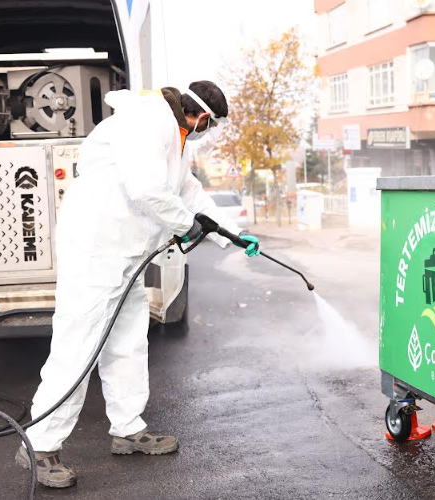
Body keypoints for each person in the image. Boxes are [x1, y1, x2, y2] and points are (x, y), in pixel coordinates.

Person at [15, 81, 259, 488]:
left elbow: (189, 193)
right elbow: (146, 189)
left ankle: (127, 428)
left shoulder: (173, 136)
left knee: (128, 340)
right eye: (209, 125)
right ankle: (38, 445)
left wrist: (231, 234)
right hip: (98, 248)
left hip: (126, 254)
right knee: (79, 344)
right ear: (201, 117)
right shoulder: (147, 121)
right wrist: (187, 225)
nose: (206, 131)